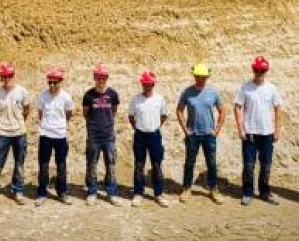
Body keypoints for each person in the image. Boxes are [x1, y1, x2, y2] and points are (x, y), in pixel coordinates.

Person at [0, 61, 32, 205]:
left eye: (9, 76)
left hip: (19, 132)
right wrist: (2, 124)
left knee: (19, 164)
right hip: (3, 133)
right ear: (1, 77)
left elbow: (26, 109)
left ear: (13, 75)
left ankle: (18, 191)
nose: (7, 79)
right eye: (4, 76)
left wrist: (19, 122)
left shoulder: (22, 91)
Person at [234, 55, 283, 206]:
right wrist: (241, 128)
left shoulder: (271, 88)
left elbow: (278, 108)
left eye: (262, 70)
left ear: (266, 70)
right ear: (253, 70)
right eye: (257, 70)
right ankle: (247, 192)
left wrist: (277, 130)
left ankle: (264, 192)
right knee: (249, 164)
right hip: (250, 132)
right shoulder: (245, 87)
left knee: (266, 164)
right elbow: (237, 107)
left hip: (267, 132)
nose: (259, 73)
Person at [177, 63, 226, 204]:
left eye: (204, 77)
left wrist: (216, 130)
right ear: (194, 76)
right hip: (193, 135)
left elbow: (222, 110)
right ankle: (186, 189)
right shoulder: (187, 92)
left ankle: (214, 190)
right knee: (189, 163)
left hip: (209, 135)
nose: (201, 79)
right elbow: (179, 110)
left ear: (207, 77)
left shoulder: (213, 92)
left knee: (211, 163)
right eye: (198, 76)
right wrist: (185, 130)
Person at [128, 69, 170, 207]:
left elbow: (164, 115)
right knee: (139, 165)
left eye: (149, 84)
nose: (146, 86)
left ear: (153, 85)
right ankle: (138, 193)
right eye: (144, 84)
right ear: (142, 84)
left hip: (154, 135)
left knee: (157, 165)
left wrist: (155, 126)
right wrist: (137, 127)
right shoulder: (136, 99)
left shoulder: (160, 99)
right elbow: (131, 116)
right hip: (140, 135)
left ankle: (158, 194)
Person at [35, 67, 75, 206]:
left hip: (60, 135)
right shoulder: (43, 96)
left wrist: (60, 125)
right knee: (44, 165)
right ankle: (42, 193)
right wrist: (47, 125)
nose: (52, 85)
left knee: (61, 165)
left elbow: (69, 113)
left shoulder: (66, 97)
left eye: (55, 82)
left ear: (60, 82)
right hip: (45, 134)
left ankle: (62, 192)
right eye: (50, 82)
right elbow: (40, 113)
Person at [82, 63, 121, 205]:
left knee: (110, 164)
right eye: (99, 78)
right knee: (92, 164)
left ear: (107, 78)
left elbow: (114, 111)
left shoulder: (113, 94)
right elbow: (85, 113)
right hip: (94, 136)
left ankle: (111, 192)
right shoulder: (88, 95)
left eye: (104, 78)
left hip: (109, 136)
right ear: (94, 78)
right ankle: (92, 192)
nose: (101, 80)